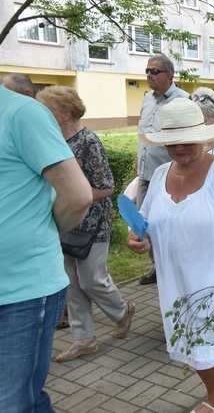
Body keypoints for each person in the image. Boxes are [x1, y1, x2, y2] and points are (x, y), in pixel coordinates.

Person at [128, 98, 214, 413]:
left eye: (187, 139)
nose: (180, 147)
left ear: (202, 136)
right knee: (192, 349)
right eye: (172, 142)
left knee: (212, 352)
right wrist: (139, 239)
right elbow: (147, 224)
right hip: (176, 286)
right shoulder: (160, 175)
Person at [0, 85, 92, 412]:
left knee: (14, 401)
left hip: (21, 288)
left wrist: (46, 229)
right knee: (25, 397)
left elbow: (88, 191)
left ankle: (105, 323)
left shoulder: (22, 115)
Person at [36, 86, 136, 362]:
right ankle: (83, 339)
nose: (42, 115)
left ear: (65, 112)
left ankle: (122, 310)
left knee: (92, 279)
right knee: (71, 283)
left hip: (92, 223)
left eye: (47, 109)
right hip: (64, 220)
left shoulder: (87, 141)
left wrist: (73, 195)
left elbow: (105, 186)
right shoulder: (55, 141)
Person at [137, 54, 189, 285]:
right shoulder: (147, 98)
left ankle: (177, 269)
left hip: (171, 176)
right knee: (146, 225)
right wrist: (138, 163)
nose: (149, 75)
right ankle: (157, 266)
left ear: (170, 75)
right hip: (146, 173)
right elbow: (143, 134)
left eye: (155, 71)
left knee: (172, 225)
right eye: (147, 71)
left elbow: (189, 140)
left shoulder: (183, 100)